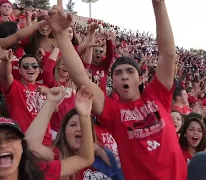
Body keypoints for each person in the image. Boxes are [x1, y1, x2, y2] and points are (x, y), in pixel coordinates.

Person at [44, 1, 187, 179]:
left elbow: (168, 54)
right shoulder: (114, 111)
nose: (124, 76)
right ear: (114, 82)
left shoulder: (158, 95)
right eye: (118, 73)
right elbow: (81, 77)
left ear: (140, 78)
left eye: (130, 71)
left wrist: (158, 4)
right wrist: (61, 35)